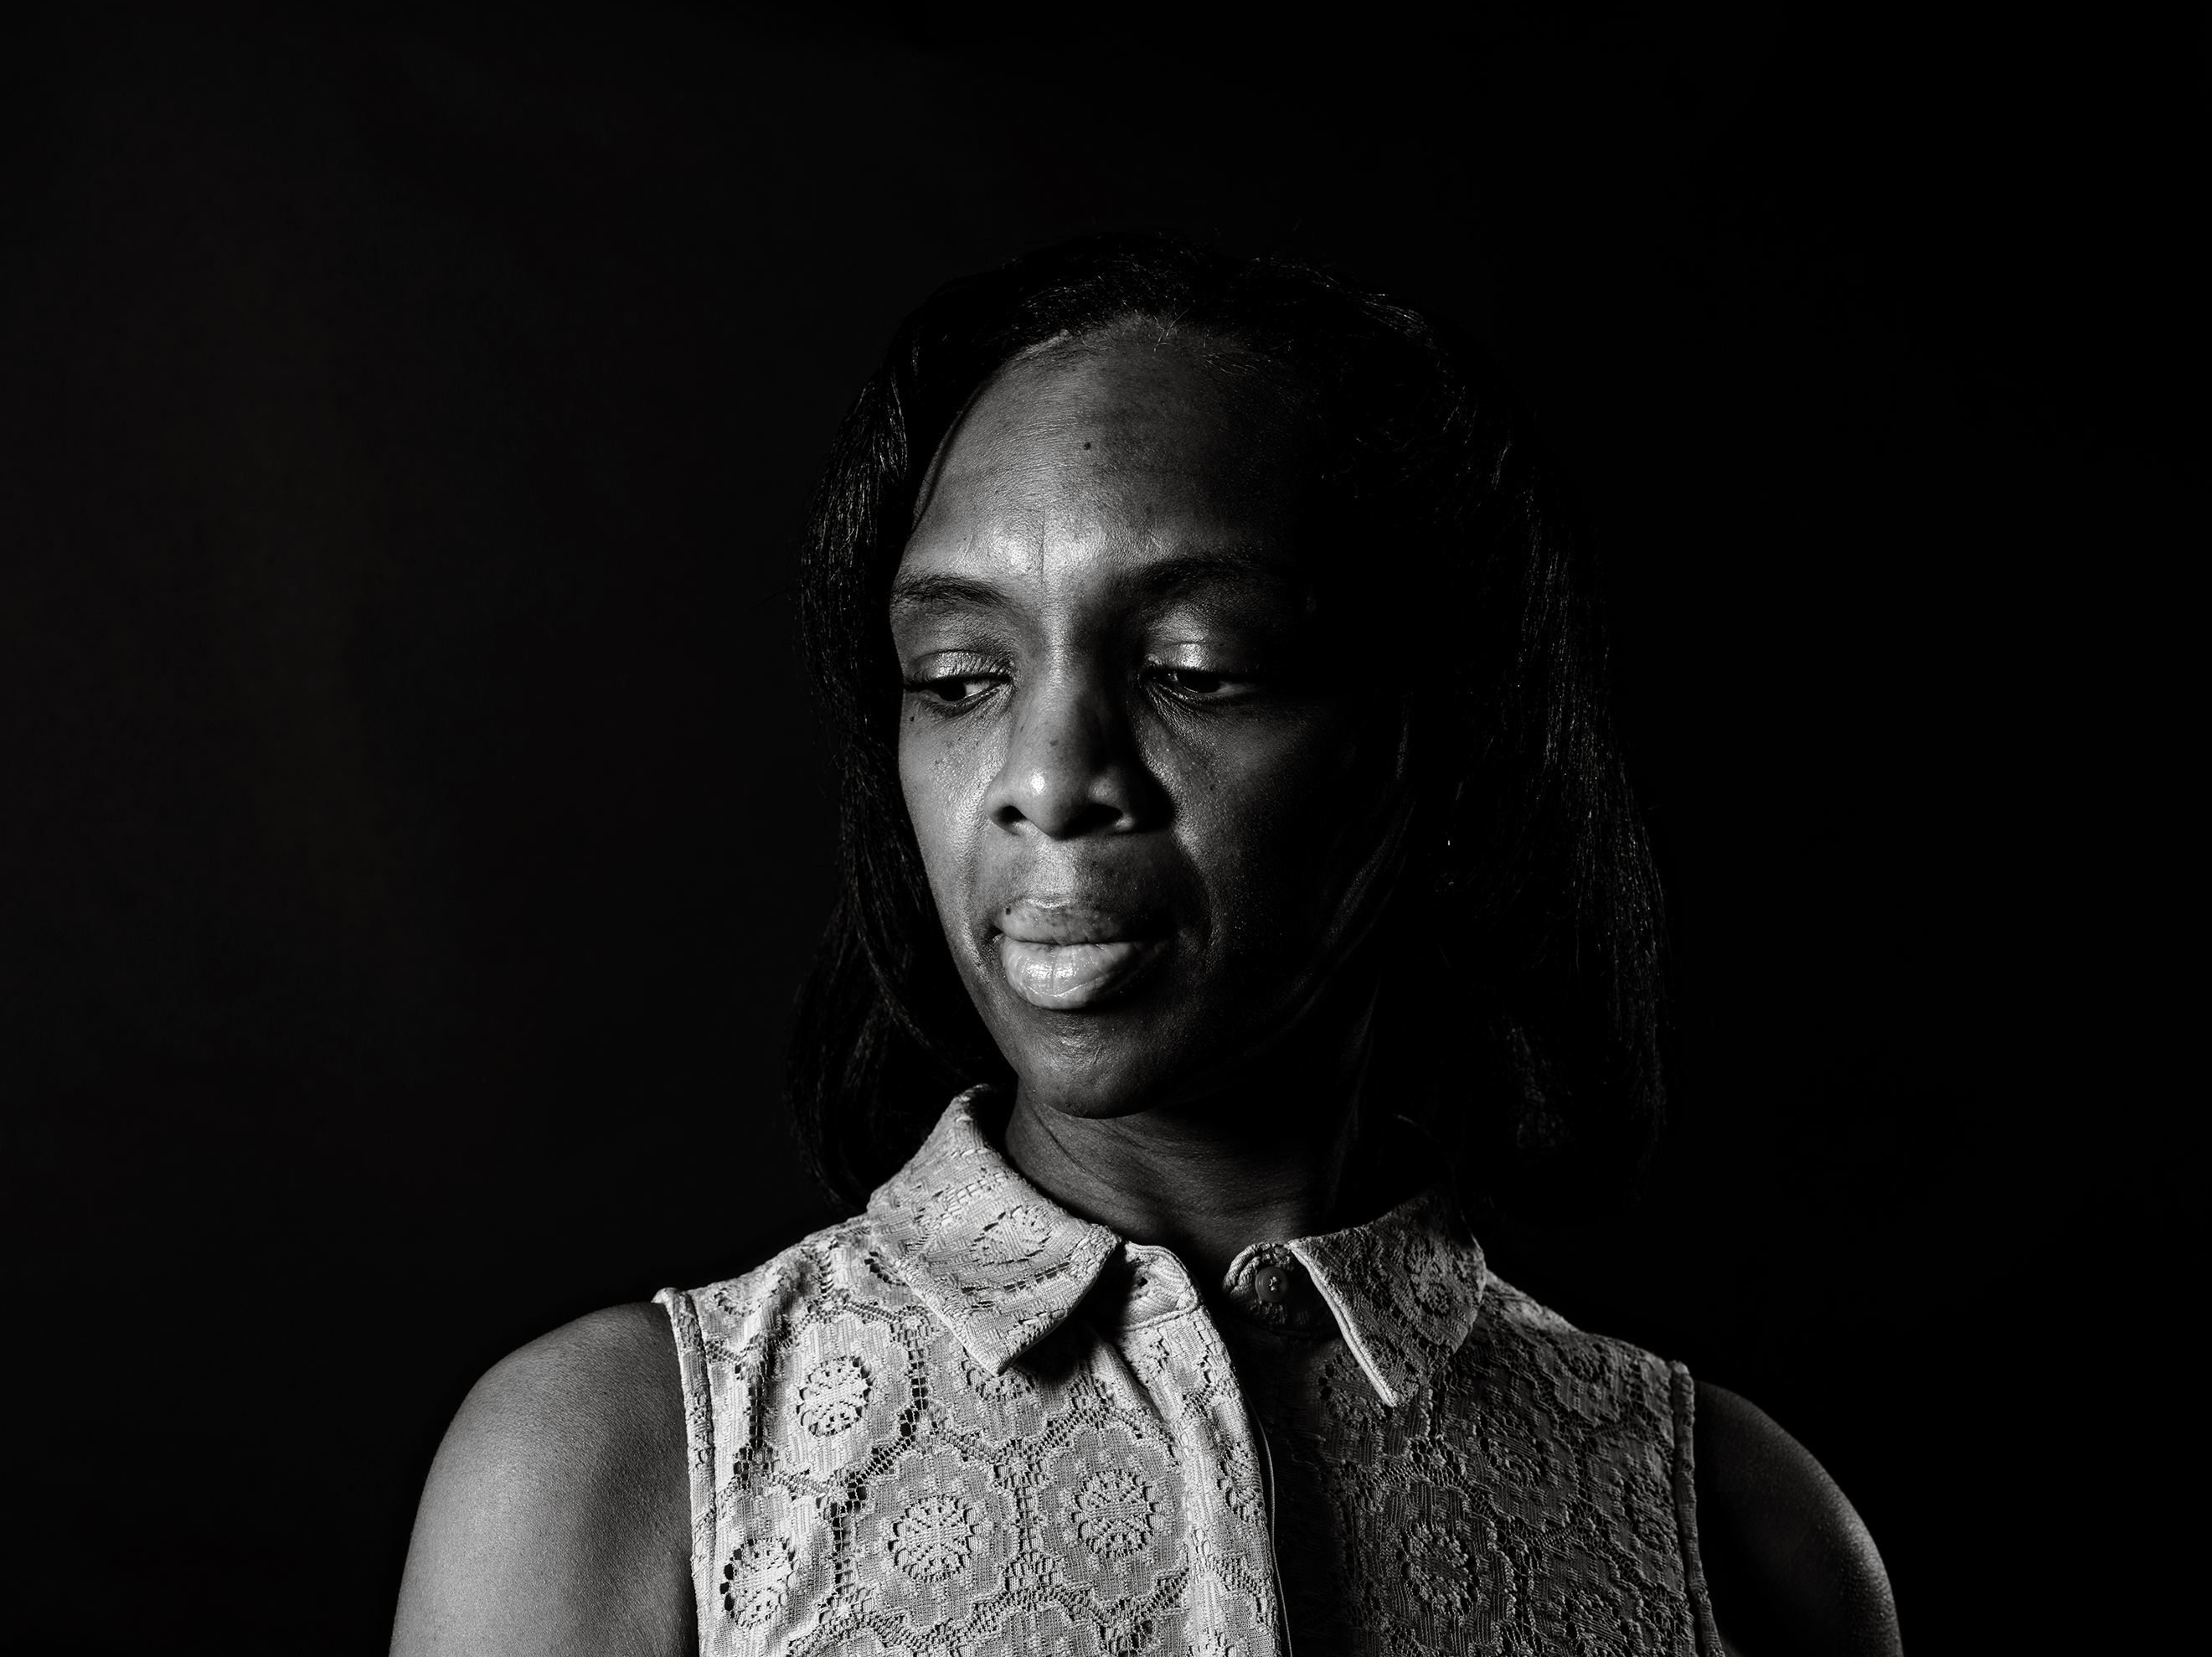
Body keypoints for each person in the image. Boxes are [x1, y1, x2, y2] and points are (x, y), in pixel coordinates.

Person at [389, 235, 1900, 1656]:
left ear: (1437, 742)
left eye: (1197, 666)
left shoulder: (1732, 1529)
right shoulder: (618, 1466)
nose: (1050, 777)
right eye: (958, 676)